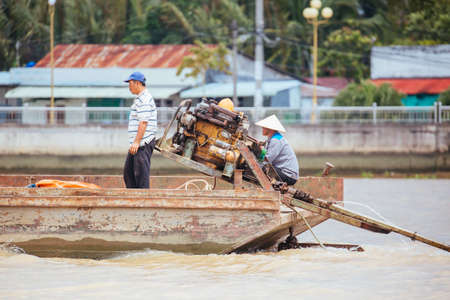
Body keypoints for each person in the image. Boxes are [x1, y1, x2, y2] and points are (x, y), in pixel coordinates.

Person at [123, 71, 157, 188]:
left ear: (137, 83)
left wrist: (137, 142)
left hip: (142, 143)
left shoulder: (144, 100)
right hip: (137, 144)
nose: (129, 87)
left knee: (141, 176)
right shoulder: (140, 99)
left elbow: (143, 122)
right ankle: (133, 200)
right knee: (129, 174)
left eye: (130, 84)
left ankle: (143, 202)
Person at [255, 114, 299, 186]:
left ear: (270, 128)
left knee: (262, 169)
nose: (262, 129)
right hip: (284, 172)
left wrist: (256, 162)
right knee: (261, 167)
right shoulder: (272, 139)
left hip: (288, 175)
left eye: (264, 127)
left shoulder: (276, 140)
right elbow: (264, 158)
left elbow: (266, 159)